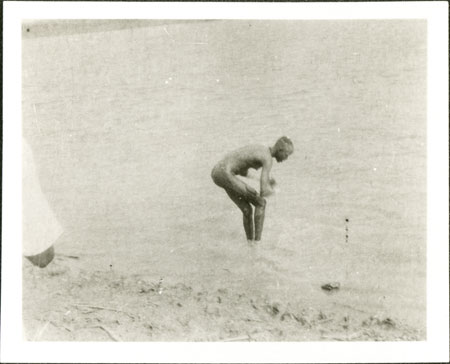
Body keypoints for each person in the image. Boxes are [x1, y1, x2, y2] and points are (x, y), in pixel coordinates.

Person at [211, 136, 294, 244]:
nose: (286, 159)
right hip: (225, 173)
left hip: (217, 172)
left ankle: (250, 246)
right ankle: (257, 245)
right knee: (261, 203)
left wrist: (259, 178)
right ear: (280, 150)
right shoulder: (267, 159)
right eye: (286, 155)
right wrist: (277, 191)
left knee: (247, 209)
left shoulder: (260, 149)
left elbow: (240, 168)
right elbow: (263, 191)